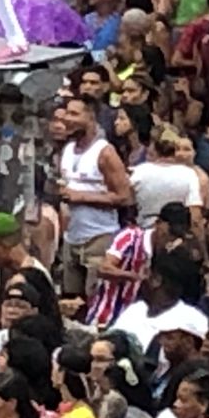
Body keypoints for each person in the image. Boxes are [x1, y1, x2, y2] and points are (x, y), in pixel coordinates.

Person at [58, 95, 133, 297]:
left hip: (99, 238)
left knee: (97, 298)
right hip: (71, 238)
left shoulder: (105, 152)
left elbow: (125, 197)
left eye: (74, 113)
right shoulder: (67, 150)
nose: (67, 118)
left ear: (91, 117)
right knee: (71, 300)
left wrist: (81, 197)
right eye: (66, 113)